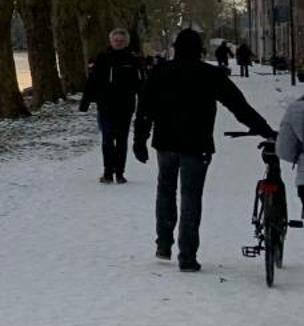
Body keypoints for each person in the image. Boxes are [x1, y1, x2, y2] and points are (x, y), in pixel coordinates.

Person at [133, 26, 276, 270]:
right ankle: (187, 256)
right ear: (199, 50)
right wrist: (266, 131)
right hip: (197, 144)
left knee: (165, 191)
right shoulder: (210, 74)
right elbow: (239, 107)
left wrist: (140, 140)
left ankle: (164, 244)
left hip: (165, 142)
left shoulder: (160, 72)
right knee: (191, 197)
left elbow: (144, 109)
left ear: (176, 49)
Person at [78, 27, 145, 184]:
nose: (118, 43)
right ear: (111, 41)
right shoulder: (102, 58)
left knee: (121, 140)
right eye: (116, 40)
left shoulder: (133, 60)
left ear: (126, 42)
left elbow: (140, 84)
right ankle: (108, 172)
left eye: (121, 41)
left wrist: (144, 102)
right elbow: (92, 81)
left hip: (125, 106)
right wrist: (85, 102)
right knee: (107, 139)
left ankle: (120, 172)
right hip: (105, 105)